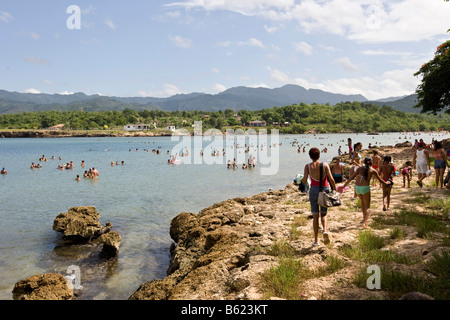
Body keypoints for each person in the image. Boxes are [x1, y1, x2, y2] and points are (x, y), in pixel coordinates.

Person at [338, 157, 392, 229]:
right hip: (365, 188)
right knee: (367, 206)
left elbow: (351, 177)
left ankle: (364, 218)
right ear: (371, 163)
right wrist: (386, 182)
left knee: (362, 202)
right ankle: (365, 223)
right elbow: (380, 180)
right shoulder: (372, 170)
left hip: (357, 188)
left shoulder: (359, 169)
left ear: (364, 162)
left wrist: (344, 185)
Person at [300, 147, 337, 247]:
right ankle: (325, 230)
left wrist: (301, 183)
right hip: (324, 189)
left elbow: (304, 179)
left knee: (315, 216)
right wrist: (334, 189)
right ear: (319, 155)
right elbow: (331, 179)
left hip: (313, 191)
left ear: (310, 156)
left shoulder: (307, 166)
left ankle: (316, 241)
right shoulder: (325, 165)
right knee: (324, 214)